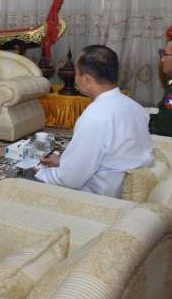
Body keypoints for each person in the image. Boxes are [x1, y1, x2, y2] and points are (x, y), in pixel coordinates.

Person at [36, 45, 154, 198]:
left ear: (86, 79)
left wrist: (40, 172)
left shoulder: (95, 117)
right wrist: (63, 161)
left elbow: (69, 180)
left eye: (77, 73)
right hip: (127, 183)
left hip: (103, 196)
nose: (75, 78)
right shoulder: (135, 106)